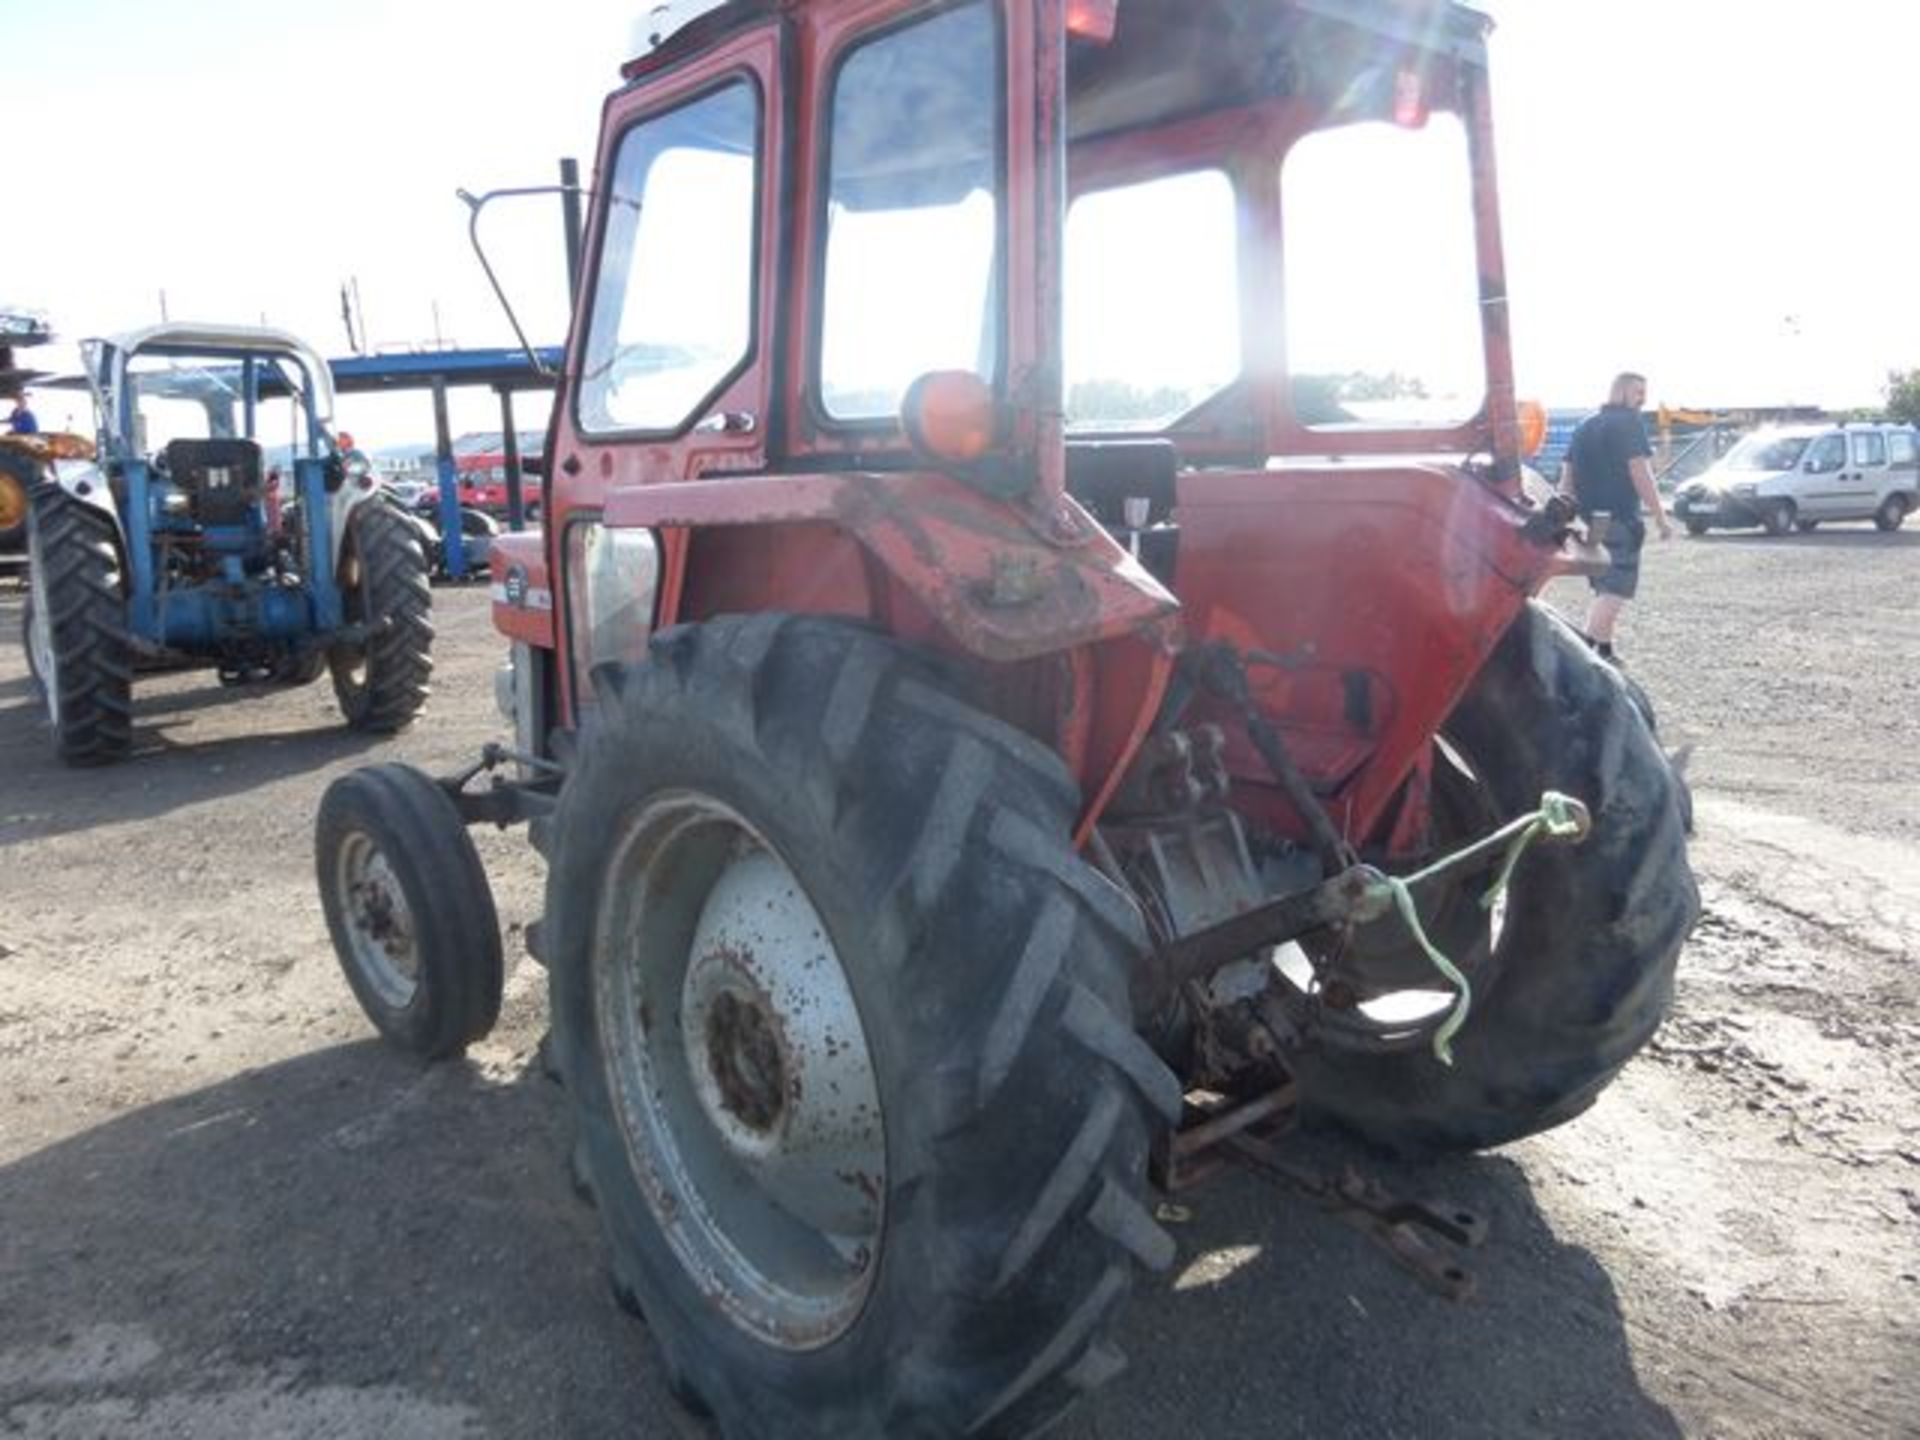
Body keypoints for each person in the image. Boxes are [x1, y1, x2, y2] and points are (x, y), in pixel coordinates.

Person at [1559, 371, 1671, 663]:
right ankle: (1585, 655)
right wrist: (1660, 515)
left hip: (1590, 519)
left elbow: (1567, 475)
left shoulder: (1585, 424)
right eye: (1637, 392)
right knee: (1616, 590)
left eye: (1644, 392)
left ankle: (1605, 649)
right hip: (1619, 517)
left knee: (1603, 586)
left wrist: (1567, 514)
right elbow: (1640, 472)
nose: (1642, 398)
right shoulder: (1629, 422)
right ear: (1621, 392)